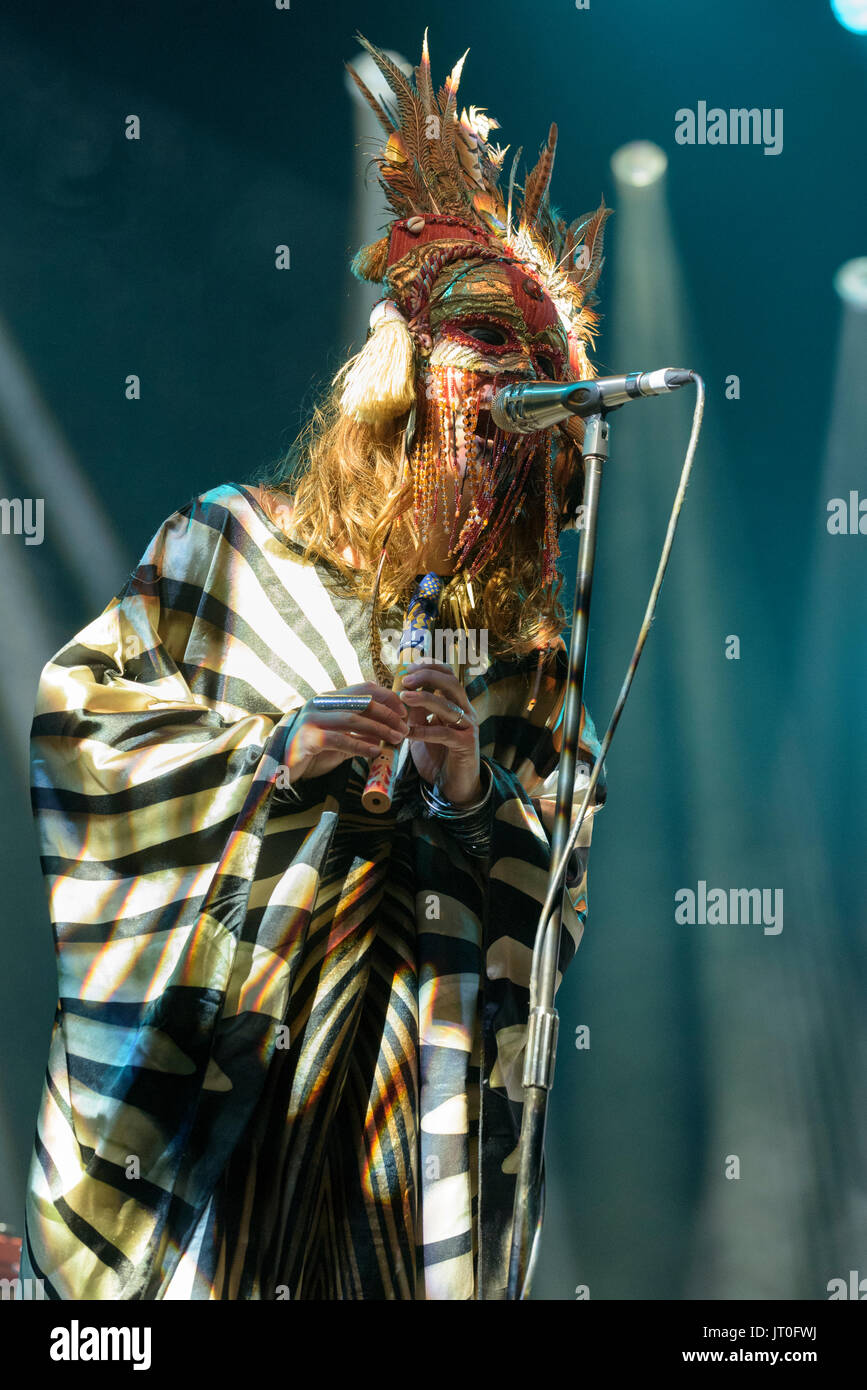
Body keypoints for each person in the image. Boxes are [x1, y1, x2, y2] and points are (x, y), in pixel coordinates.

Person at [20, 30, 609, 1300]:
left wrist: (467, 789)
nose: (497, 464)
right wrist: (272, 756)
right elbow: (86, 723)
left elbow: (554, 901)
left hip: (406, 1112)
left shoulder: (531, 652)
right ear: (402, 394)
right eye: (480, 415)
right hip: (237, 1077)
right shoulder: (230, 541)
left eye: (525, 453)